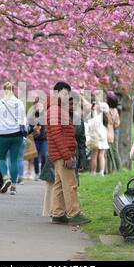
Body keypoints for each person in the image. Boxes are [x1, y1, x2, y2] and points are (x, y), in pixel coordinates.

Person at [47, 81, 90, 225]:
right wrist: (67, 156)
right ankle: (75, 213)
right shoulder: (55, 110)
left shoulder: (56, 109)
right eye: (64, 94)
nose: (66, 97)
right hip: (63, 154)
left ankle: (58, 214)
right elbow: (57, 135)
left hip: (60, 153)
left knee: (59, 185)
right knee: (70, 184)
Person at [0, 82, 26, 195]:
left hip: (3, 135)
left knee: (1, 158)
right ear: (13, 90)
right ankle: (13, 186)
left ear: (4, 90)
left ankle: (5, 177)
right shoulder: (20, 103)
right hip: (17, 135)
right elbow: (23, 120)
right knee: (14, 160)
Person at [86, 101, 109, 176]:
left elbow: (90, 126)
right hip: (103, 137)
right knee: (101, 155)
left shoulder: (95, 116)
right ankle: (101, 172)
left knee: (94, 155)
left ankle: (93, 172)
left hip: (96, 137)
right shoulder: (104, 116)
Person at [28, 98, 48, 181]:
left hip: (44, 139)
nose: (39, 107)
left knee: (44, 155)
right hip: (35, 138)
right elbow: (30, 127)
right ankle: (37, 173)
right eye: (37, 105)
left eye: (40, 105)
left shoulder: (46, 115)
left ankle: (42, 172)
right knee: (35, 156)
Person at [106, 94, 122, 173]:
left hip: (112, 131)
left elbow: (116, 123)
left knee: (113, 151)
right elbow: (117, 123)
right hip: (115, 131)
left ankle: (118, 169)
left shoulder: (108, 110)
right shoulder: (115, 110)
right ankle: (112, 170)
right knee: (112, 151)